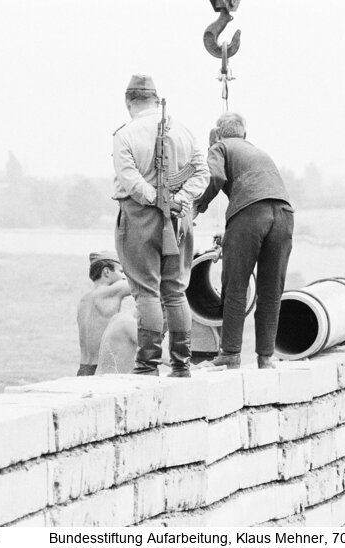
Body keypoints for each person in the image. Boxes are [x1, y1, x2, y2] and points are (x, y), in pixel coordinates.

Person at [111, 74, 210, 377]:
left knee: (146, 292)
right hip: (179, 217)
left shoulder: (125, 135)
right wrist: (177, 200)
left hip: (139, 216)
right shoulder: (184, 132)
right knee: (175, 292)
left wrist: (157, 199)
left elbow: (130, 180)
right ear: (156, 99)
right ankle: (181, 364)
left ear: (129, 101)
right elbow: (202, 173)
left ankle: (147, 365)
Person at [195, 112, 294, 369]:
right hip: (283, 214)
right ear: (245, 134)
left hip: (250, 214)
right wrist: (231, 234)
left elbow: (215, 178)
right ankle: (266, 357)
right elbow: (262, 201)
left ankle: (230, 353)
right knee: (271, 289)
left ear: (217, 134)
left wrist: (198, 206)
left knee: (235, 285)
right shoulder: (258, 152)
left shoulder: (219, 146)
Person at [76, 251, 130, 376]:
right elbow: (145, 284)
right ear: (106, 272)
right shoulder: (109, 292)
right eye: (121, 272)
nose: (124, 277)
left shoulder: (83, 300)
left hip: (83, 369)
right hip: (100, 370)